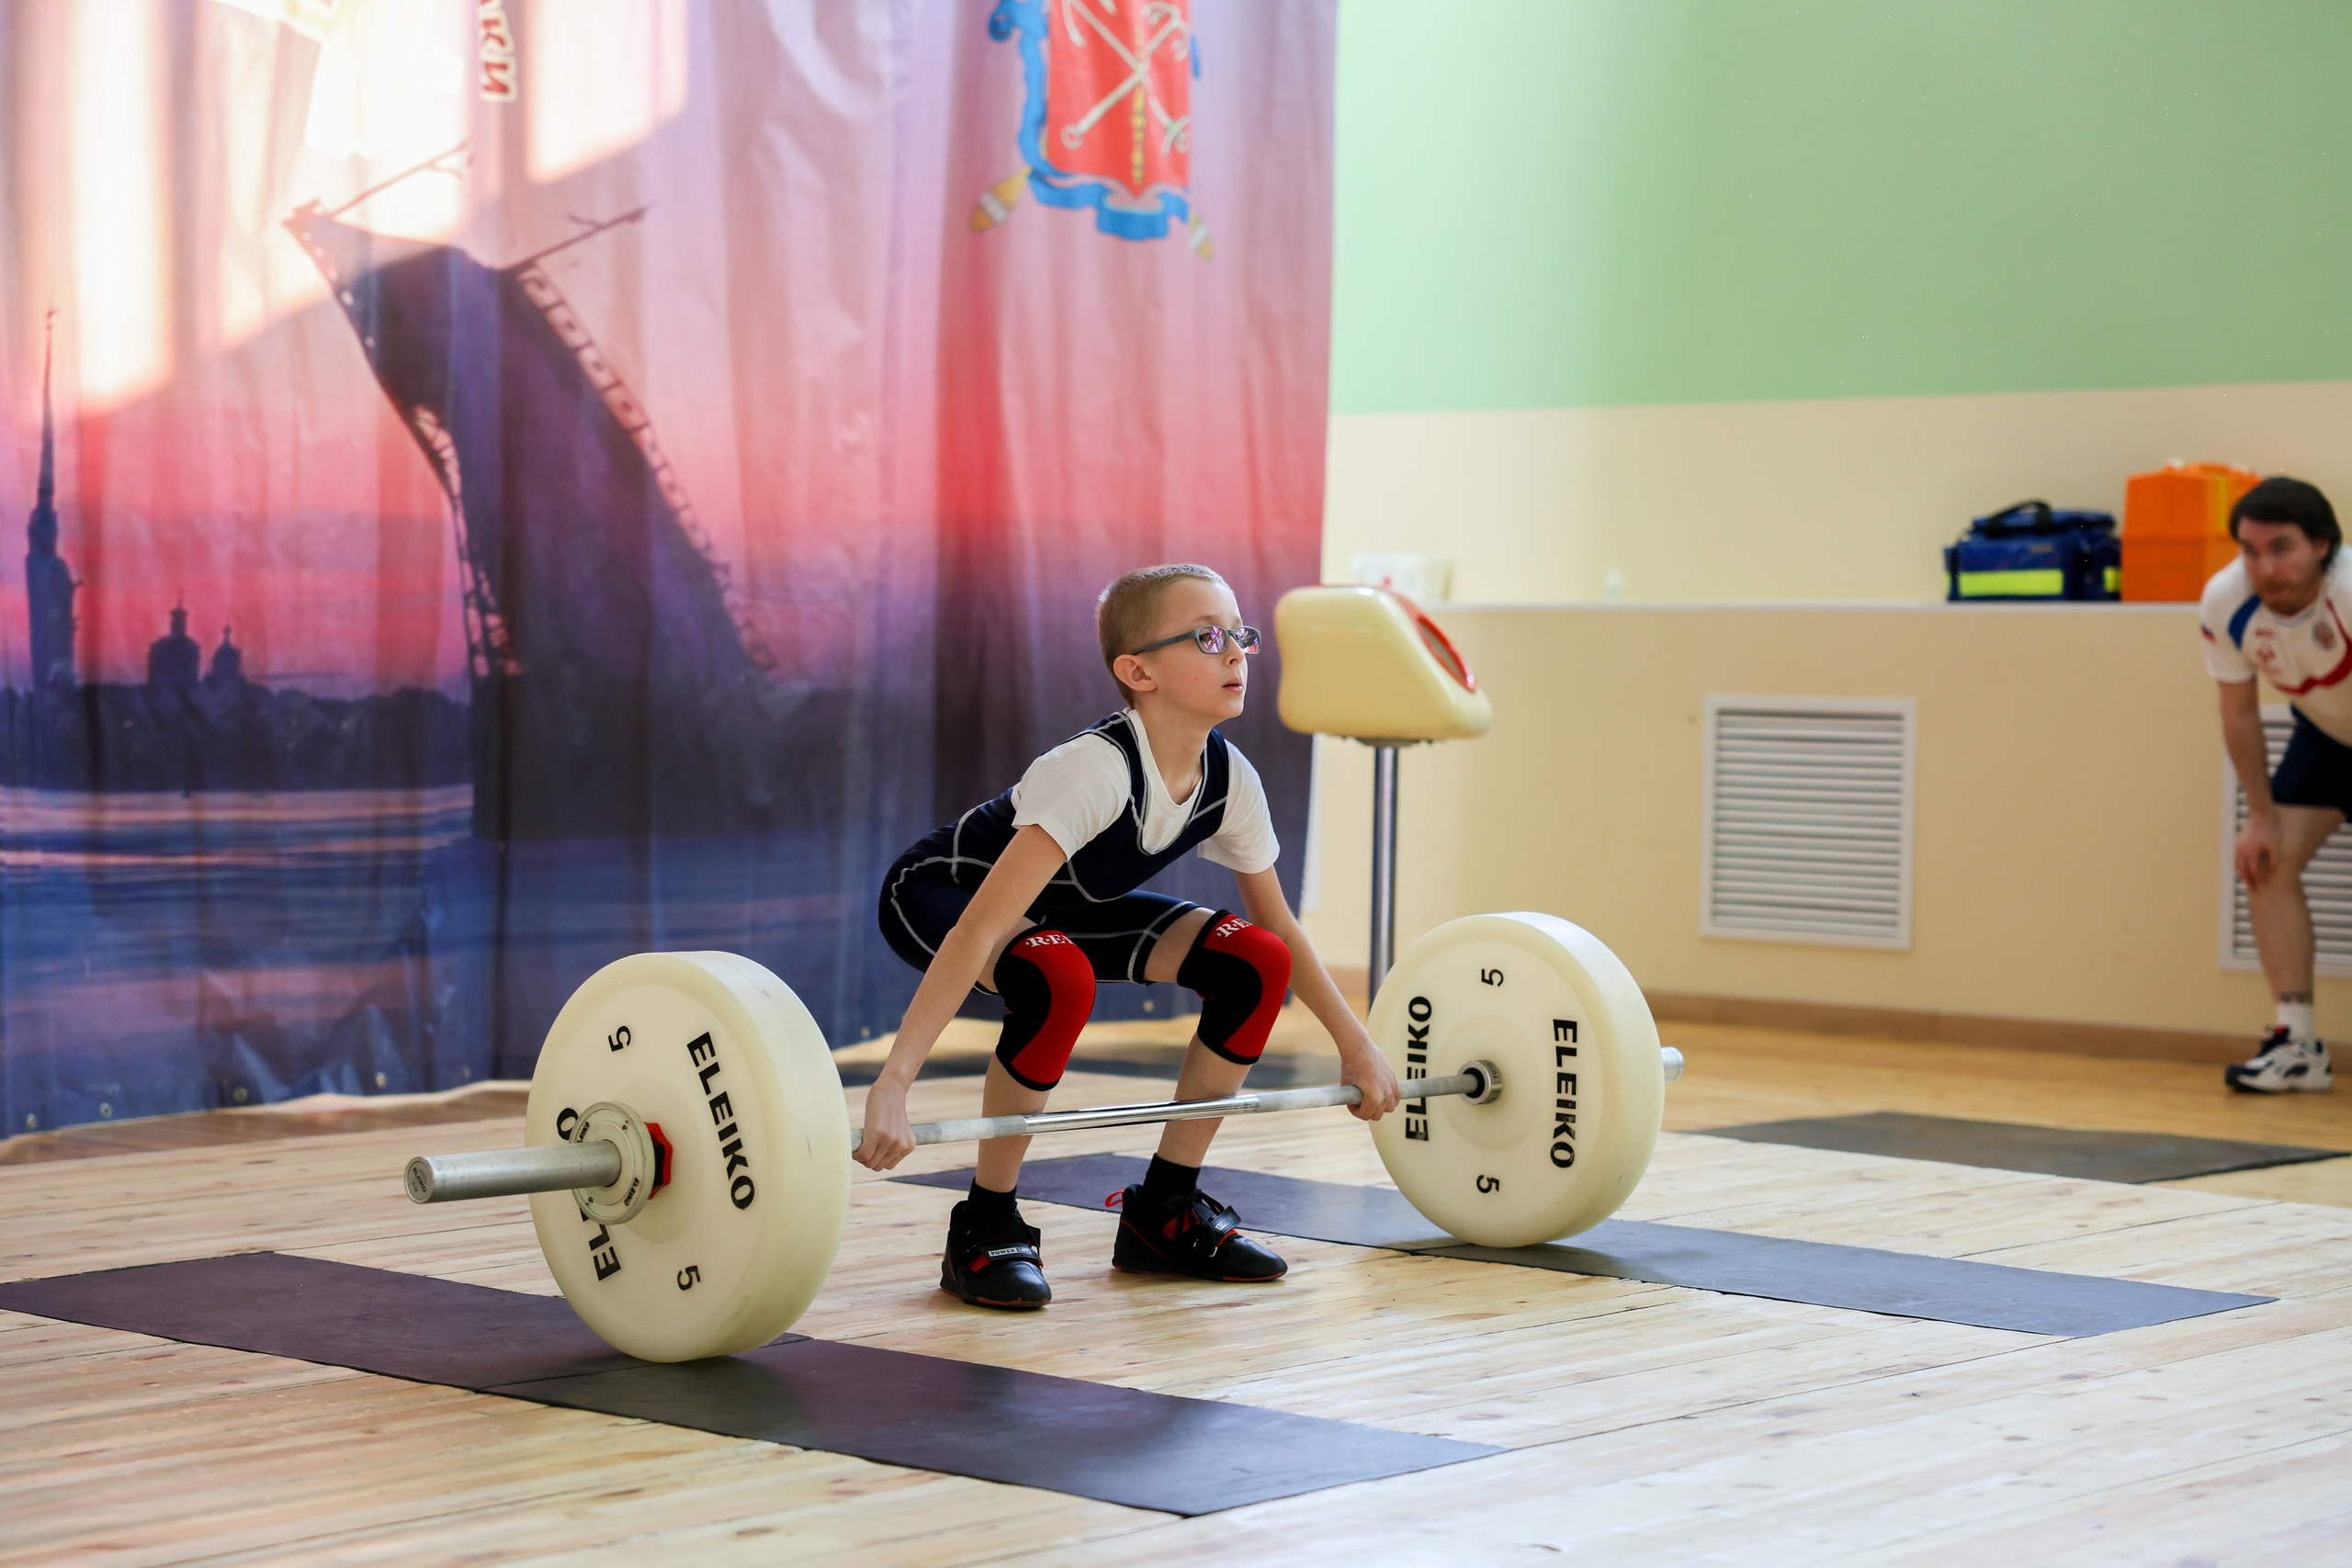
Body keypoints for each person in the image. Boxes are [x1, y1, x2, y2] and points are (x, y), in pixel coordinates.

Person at [859, 564, 1402, 1307]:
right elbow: (980, 924)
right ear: (1137, 670)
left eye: (1238, 635)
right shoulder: (1095, 770)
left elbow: (1279, 923)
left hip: (1062, 909)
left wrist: (1356, 1041)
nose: (1235, 653)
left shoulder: (1228, 778)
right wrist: (894, 1086)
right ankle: (986, 1222)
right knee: (1060, 977)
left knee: (1255, 959)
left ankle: (1165, 1212)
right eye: (1208, 637)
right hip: (939, 893)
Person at [2203, 476, 2345, 1092]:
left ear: (2321, 545)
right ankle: (2298, 1044)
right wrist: (2259, 815)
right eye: (2249, 550)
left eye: (2280, 548)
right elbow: (2237, 711)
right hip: (2327, 734)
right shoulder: (2225, 601)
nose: (2263, 566)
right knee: (2265, 859)